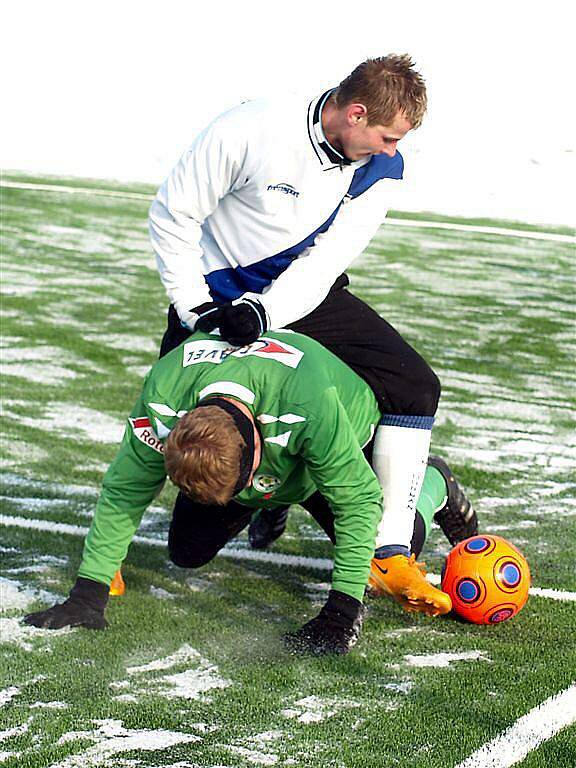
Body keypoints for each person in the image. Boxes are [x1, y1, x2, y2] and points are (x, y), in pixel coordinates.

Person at [148, 54, 440, 571]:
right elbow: (174, 215)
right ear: (355, 114)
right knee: (172, 427)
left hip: (300, 293)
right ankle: (268, 497)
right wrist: (195, 308)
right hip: (210, 299)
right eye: (388, 136)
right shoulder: (248, 129)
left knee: (415, 385)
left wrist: (263, 312)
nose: (394, 151)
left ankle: (390, 543)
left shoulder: (382, 167)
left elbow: (325, 260)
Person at [24, 330, 476, 654]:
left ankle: (436, 482)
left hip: (325, 451)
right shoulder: (164, 395)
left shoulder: (307, 402)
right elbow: (124, 490)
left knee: (395, 545)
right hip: (263, 462)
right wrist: (89, 592)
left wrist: (341, 611)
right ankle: (270, 507)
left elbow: (358, 502)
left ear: (255, 449)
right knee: (185, 552)